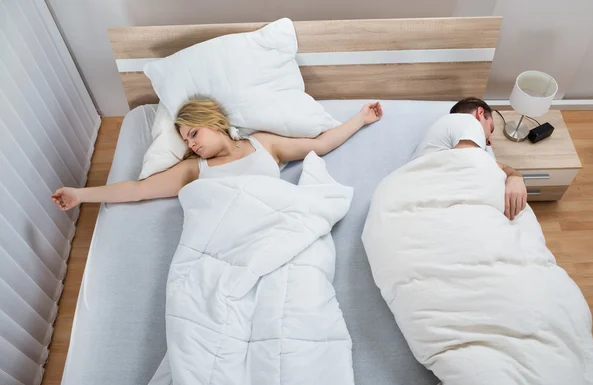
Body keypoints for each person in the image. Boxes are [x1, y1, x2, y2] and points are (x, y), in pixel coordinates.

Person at [51, 99, 382, 211]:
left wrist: (361, 119)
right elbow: (137, 190)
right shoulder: (195, 169)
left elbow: (321, 145)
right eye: (186, 141)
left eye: (194, 133)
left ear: (215, 122)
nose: (191, 145)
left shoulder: (264, 144)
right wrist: (80, 195)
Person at [412, 97, 527, 220]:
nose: (489, 142)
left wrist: (515, 177)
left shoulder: (455, 141)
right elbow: (470, 171)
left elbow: (500, 167)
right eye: (491, 128)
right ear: (480, 114)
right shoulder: (466, 121)